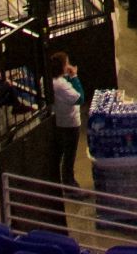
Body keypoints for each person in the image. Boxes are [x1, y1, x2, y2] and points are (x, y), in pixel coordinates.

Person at [47, 51, 85, 183]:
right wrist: (74, 77)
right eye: (66, 63)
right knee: (69, 156)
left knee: (60, 155)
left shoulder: (49, 80)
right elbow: (80, 98)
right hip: (69, 124)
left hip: (58, 122)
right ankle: (70, 184)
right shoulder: (61, 85)